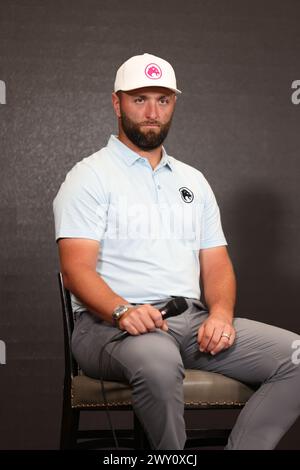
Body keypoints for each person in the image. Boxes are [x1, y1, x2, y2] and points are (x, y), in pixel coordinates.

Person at [53, 53, 300, 450]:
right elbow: (75, 270)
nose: (152, 112)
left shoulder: (193, 180)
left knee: (297, 357)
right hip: (109, 326)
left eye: (163, 100)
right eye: (140, 99)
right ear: (117, 103)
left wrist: (220, 314)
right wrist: (122, 310)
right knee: (159, 365)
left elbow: (216, 262)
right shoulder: (89, 177)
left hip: (188, 322)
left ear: (173, 104)